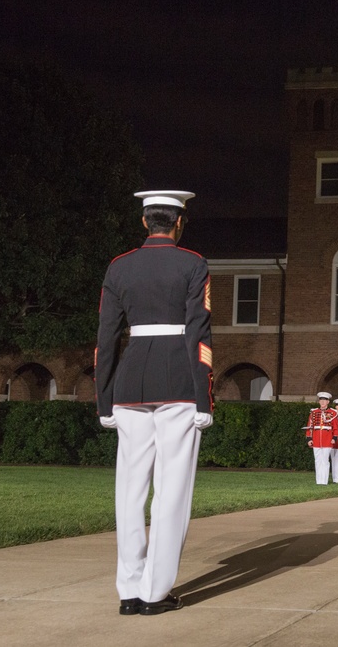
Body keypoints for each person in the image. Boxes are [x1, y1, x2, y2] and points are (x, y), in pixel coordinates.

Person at [95, 189, 212, 616]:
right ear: (179, 222)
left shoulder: (119, 266)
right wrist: (205, 396)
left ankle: (128, 590)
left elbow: (106, 339)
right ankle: (154, 593)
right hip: (179, 380)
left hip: (129, 383)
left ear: (145, 222)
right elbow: (198, 332)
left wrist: (104, 400)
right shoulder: (192, 263)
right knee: (171, 490)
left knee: (130, 488)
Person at [305, 391, 336, 485]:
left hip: (327, 439)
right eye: (321, 400)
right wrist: (309, 439)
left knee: (325, 461)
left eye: (324, 400)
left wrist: (334, 437)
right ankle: (319, 481)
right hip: (316, 439)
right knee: (317, 460)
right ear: (319, 401)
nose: (322, 402)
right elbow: (309, 426)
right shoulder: (314, 412)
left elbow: (335, 427)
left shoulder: (333, 413)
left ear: (328, 402)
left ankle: (324, 480)